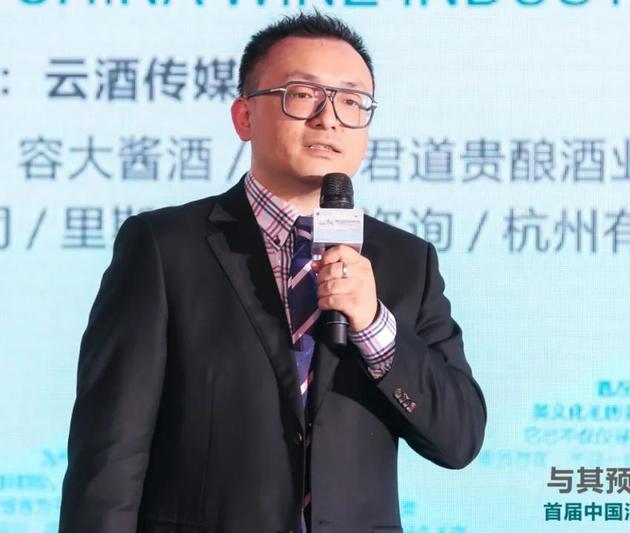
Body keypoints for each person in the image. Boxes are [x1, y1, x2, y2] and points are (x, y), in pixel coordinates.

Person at [59, 12, 486, 533]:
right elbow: (110, 453)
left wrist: (373, 323)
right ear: (244, 116)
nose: (329, 119)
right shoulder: (162, 247)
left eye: (352, 101)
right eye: (302, 95)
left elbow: (460, 438)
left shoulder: (406, 261)